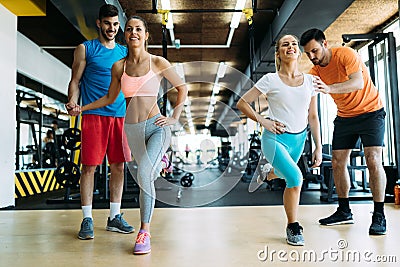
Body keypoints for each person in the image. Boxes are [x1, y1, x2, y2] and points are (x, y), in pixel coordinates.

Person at [80, 15, 188, 254]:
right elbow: (109, 98)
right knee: (146, 174)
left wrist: (175, 118)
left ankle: (144, 231)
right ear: (125, 35)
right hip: (132, 130)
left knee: (145, 176)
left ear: (146, 35)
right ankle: (160, 160)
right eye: (129, 29)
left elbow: (182, 88)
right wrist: (82, 107)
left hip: (156, 126)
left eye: (138, 29)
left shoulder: (158, 62)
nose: (133, 33)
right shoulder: (119, 66)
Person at [237, 34, 322, 246]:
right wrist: (263, 121)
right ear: (279, 53)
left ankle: (268, 173)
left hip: (299, 139)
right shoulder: (270, 79)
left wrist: (318, 146)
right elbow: (242, 103)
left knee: (286, 176)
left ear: (299, 52)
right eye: (285, 44)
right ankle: (293, 226)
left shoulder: (310, 81)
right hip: (274, 139)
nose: (290, 46)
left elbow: (313, 116)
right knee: (295, 178)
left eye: (294, 44)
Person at [300, 28, 387, 235]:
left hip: (371, 112)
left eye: (315, 51)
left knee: (373, 160)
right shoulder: (314, 73)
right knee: (338, 162)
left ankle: (379, 214)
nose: (312, 57)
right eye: (308, 54)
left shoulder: (346, 54)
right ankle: (344, 210)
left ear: (325, 44)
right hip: (345, 118)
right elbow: (307, 105)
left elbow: (357, 82)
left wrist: (329, 89)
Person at [65, 4, 134, 240]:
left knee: (118, 165)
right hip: (94, 116)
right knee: (89, 167)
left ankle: (115, 216)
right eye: (107, 23)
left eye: (115, 24)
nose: (112, 28)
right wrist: (72, 101)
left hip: (120, 116)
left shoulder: (124, 53)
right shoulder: (86, 49)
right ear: (98, 23)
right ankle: (87, 219)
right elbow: (75, 80)